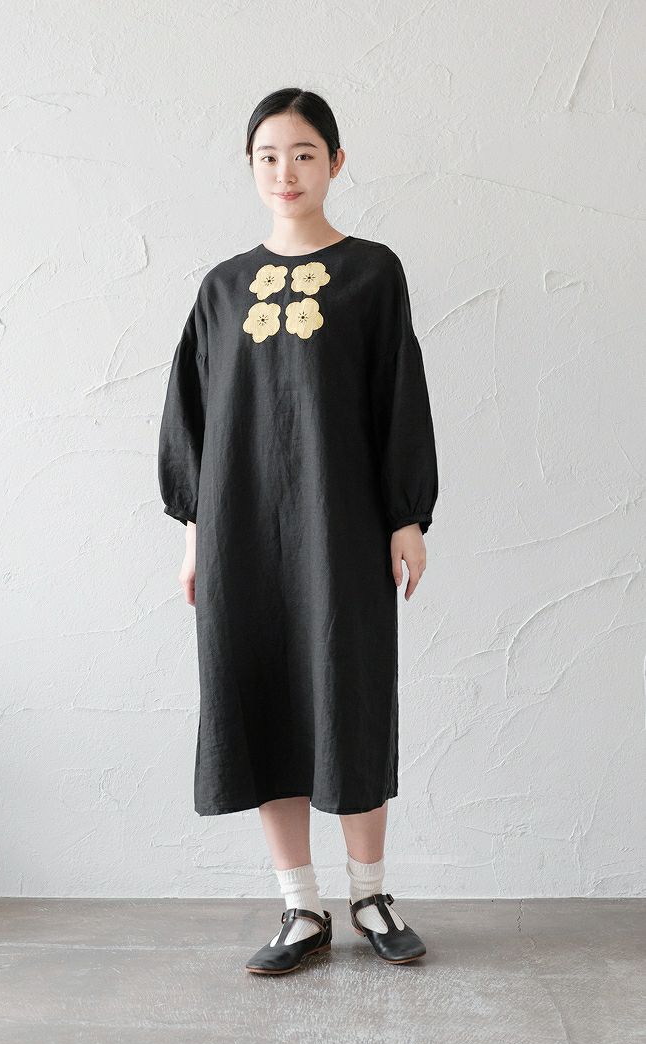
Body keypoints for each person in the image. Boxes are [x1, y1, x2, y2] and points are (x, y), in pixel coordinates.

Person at [158, 88, 439, 975]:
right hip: (239, 536)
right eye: (269, 156)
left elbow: (398, 394)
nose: (286, 171)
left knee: (349, 692)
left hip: (343, 526)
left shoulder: (373, 273)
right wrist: (194, 535)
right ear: (251, 167)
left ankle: (371, 894)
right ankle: (300, 906)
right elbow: (193, 417)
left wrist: (406, 514)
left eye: (305, 153)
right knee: (263, 700)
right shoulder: (221, 287)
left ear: (336, 163)